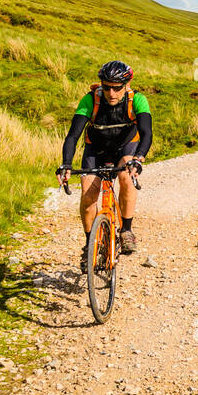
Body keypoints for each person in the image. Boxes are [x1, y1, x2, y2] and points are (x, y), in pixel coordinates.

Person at [56, 60, 152, 272]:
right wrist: (66, 164)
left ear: (127, 85)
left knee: (127, 176)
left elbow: (146, 132)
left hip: (125, 148)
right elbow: (73, 136)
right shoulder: (91, 100)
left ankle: (126, 230)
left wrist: (139, 158)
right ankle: (90, 245)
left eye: (117, 88)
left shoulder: (137, 100)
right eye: (106, 87)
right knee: (88, 195)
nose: (111, 93)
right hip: (96, 150)